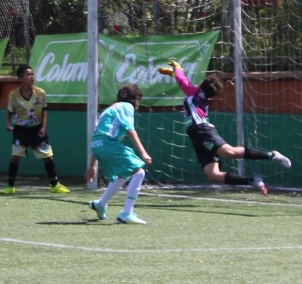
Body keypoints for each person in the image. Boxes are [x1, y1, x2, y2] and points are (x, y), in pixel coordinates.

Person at [158, 60, 291, 195]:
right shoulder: (197, 95)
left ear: (201, 85)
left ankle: (272, 155)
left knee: (230, 152)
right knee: (213, 174)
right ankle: (252, 181)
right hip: (197, 137)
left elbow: (182, 79)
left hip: (203, 131)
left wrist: (177, 68)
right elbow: (182, 81)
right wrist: (174, 74)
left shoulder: (195, 93)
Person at [86, 84, 152, 225]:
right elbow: (130, 129)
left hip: (97, 145)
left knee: (124, 174)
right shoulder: (126, 107)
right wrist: (143, 152)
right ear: (135, 100)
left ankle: (101, 204)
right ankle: (126, 214)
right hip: (109, 144)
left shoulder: (109, 110)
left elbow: (98, 135)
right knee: (139, 172)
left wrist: (92, 165)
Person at [2, 64, 69, 195]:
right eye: (28, 74)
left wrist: (43, 127)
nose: (32, 77)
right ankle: (10, 186)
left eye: (32, 74)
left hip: (37, 129)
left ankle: (54, 185)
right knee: (15, 157)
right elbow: (10, 111)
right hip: (20, 130)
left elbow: (44, 111)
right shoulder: (14, 95)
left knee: (48, 157)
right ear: (21, 78)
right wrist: (8, 124)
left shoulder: (40, 92)